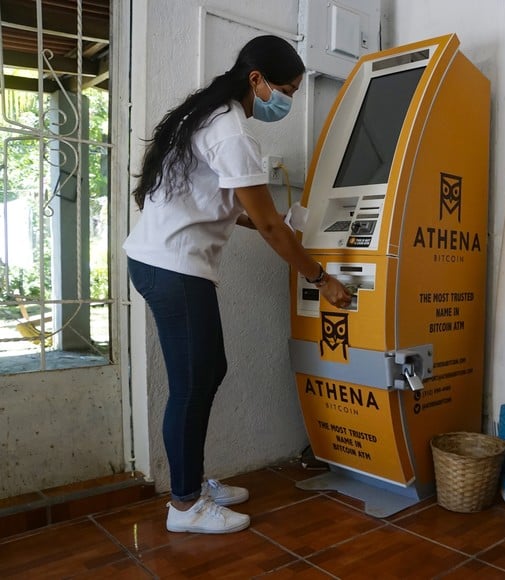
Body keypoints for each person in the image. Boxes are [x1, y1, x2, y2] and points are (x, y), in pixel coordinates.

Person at [124, 35, 352, 534]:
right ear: (257, 80)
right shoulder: (230, 132)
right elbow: (268, 227)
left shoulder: (207, 115)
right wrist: (321, 278)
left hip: (164, 264)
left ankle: (192, 481)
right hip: (174, 268)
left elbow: (242, 211)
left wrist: (276, 223)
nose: (287, 100)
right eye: (287, 89)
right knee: (191, 384)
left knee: (208, 371)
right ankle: (184, 507)